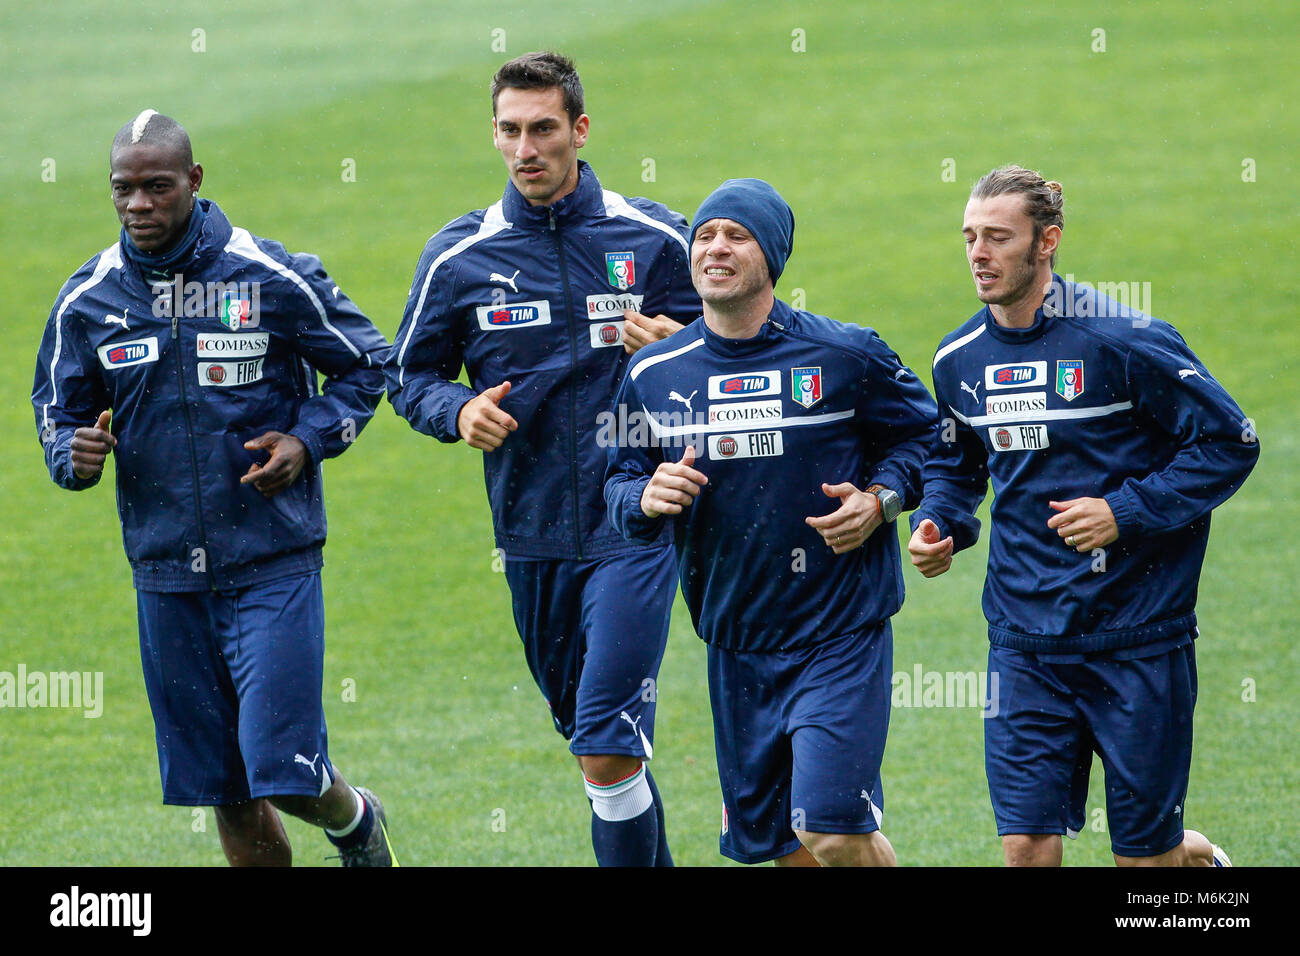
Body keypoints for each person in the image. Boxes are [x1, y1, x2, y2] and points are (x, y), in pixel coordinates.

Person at [32, 110, 397, 866]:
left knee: (284, 771)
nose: (139, 204)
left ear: (194, 181)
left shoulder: (266, 274)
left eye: (156, 187)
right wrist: (75, 454)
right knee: (228, 790)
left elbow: (368, 365)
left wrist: (308, 438)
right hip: (166, 578)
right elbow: (55, 410)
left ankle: (354, 818)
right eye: (123, 190)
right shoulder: (88, 301)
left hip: (272, 562)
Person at [386, 52, 700, 866]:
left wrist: (684, 347)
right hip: (529, 535)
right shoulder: (460, 259)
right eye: (509, 131)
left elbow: (741, 349)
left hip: (636, 521)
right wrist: (457, 411)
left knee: (603, 741)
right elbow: (407, 375)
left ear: (580, 130)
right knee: (603, 748)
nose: (526, 148)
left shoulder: (656, 238)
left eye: (543, 130)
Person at [907, 165, 1258, 867]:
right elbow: (958, 460)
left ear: (1048, 242)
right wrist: (944, 522)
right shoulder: (958, 359)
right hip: (1024, 640)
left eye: (999, 238)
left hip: (1137, 637)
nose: (978, 253)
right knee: (1027, 850)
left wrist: (1123, 511)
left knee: (1144, 859)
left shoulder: (1121, 340)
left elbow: (1230, 441)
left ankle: (1191, 859)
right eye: (970, 237)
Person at [604, 179, 939, 866]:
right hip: (735, 640)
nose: (715, 247)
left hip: (838, 632)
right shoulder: (653, 373)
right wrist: (644, 497)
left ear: (773, 257)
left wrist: (882, 500)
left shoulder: (845, 356)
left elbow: (931, 439)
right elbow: (618, 480)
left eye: (737, 235)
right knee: (779, 847)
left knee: (831, 825)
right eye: (704, 235)